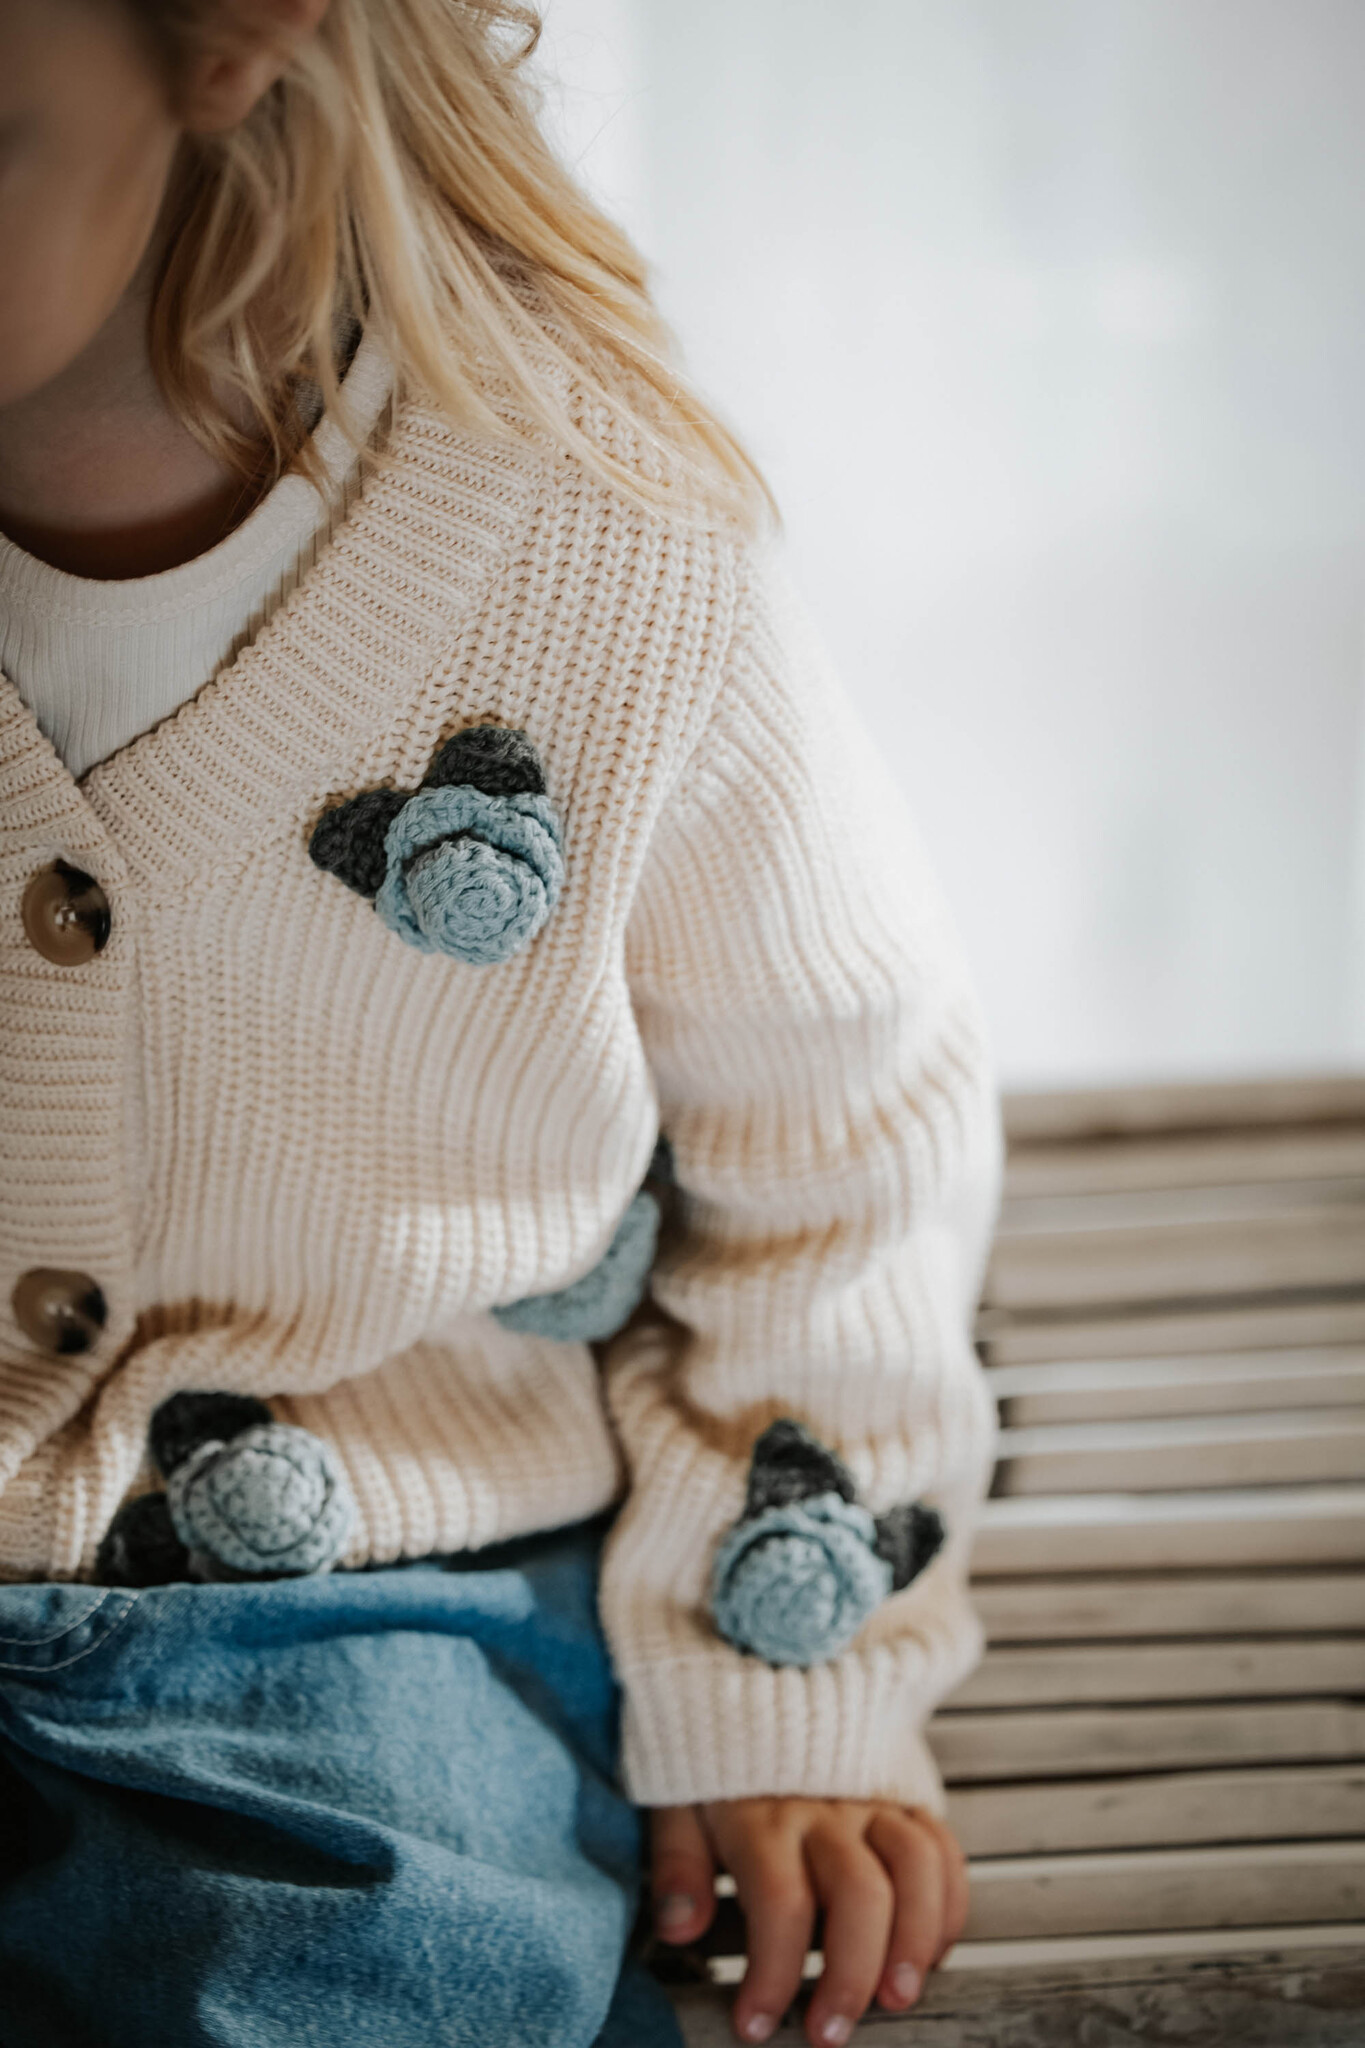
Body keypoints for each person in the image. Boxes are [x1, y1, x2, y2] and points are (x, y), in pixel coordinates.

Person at [0, 4, 1002, 2044]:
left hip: (353, 1599)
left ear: (226, 36)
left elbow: (839, 1143)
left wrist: (780, 1672)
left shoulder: (609, 554)